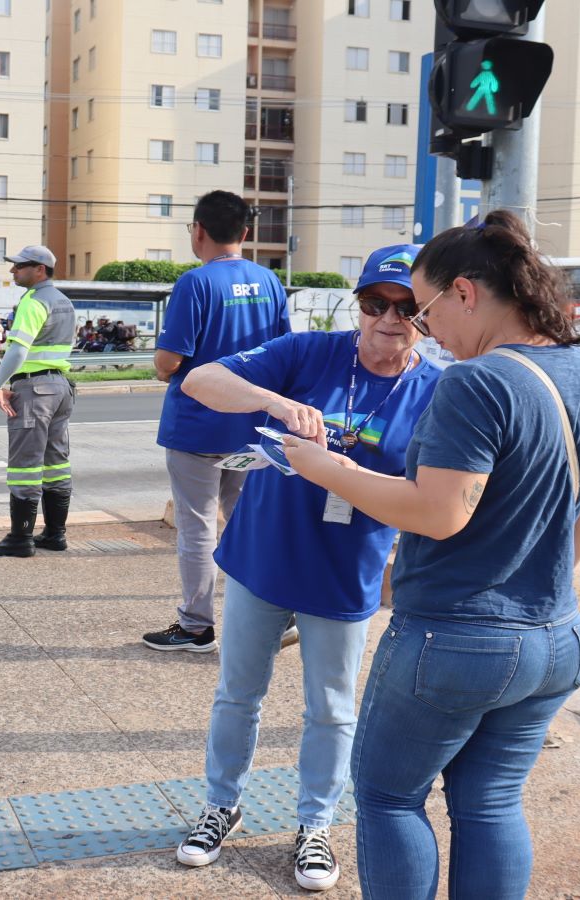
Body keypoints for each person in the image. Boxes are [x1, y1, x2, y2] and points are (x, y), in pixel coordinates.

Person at [279, 212, 580, 899]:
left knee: (386, 797)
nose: (425, 330)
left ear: (466, 293)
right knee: (490, 802)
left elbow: (438, 511)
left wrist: (318, 465)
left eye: (427, 310)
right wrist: (533, 593)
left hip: (454, 638)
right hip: (556, 635)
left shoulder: (478, 383)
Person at [170, 244, 439, 892]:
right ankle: (221, 805)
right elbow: (197, 380)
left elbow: (434, 494)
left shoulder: (434, 392)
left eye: (406, 307)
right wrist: (277, 403)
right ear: (360, 305)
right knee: (238, 693)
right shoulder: (311, 353)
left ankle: (314, 826)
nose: (388, 319)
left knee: (331, 709)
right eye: (376, 303)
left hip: (345, 574)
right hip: (262, 558)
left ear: (425, 316)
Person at [142, 189, 291, 653]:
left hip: (198, 426)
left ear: (198, 231)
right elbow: (286, 352)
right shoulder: (270, 282)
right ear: (245, 234)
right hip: (252, 427)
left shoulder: (196, 283)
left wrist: (161, 368)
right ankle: (276, 617)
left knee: (198, 527)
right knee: (252, 522)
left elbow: (170, 359)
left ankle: (195, 625)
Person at [0, 245, 77, 557]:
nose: (13, 271)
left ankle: (20, 539)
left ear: (40, 270)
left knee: (25, 465)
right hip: (61, 387)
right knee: (56, 463)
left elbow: (18, 350)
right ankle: (54, 534)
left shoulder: (34, 301)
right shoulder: (64, 302)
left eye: (19, 267)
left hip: (34, 389)